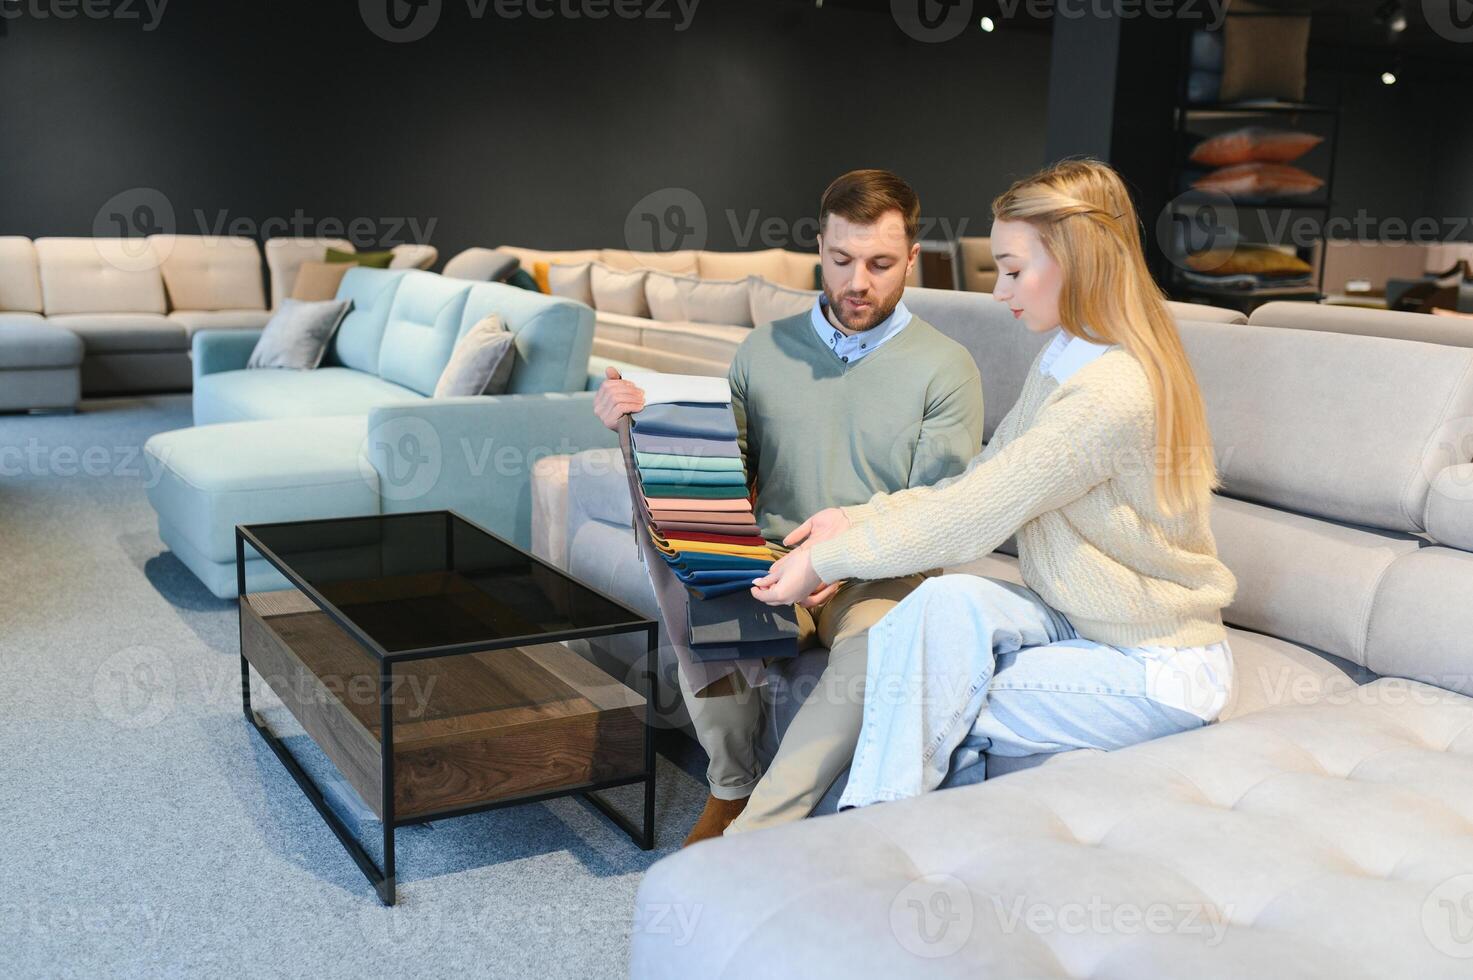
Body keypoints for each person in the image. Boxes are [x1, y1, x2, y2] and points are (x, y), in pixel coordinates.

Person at [750, 158, 1238, 811]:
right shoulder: (1067, 355)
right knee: (935, 612)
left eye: (1012, 269)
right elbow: (983, 478)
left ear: (1077, 261)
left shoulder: (1111, 392)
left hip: (1151, 666)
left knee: (916, 686)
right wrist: (855, 521)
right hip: (1078, 618)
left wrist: (821, 559)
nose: (997, 290)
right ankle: (888, 836)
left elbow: (974, 519)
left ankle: (868, 834)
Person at [594, 169, 984, 842]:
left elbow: (941, 509)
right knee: (703, 600)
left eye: (880, 264)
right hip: (773, 555)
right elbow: (720, 470)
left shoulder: (946, 367)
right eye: (840, 260)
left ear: (912, 260)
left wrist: (844, 554)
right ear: (819, 248)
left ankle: (762, 825)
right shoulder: (762, 350)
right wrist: (639, 421)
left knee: (878, 648)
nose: (857, 282)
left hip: (884, 569)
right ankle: (730, 790)